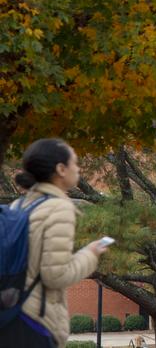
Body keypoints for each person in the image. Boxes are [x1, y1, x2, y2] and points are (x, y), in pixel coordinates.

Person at [1, 138, 109, 348]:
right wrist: (91, 253)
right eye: (75, 163)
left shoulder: (19, 204)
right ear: (60, 169)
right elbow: (56, 275)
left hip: (10, 312)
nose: (78, 169)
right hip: (35, 321)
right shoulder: (59, 208)